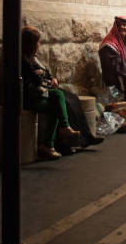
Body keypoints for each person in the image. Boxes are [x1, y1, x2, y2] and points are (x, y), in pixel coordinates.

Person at [22, 26, 81, 160]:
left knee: (57, 105)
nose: (39, 45)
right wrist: (41, 75)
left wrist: (48, 76)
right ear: (31, 44)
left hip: (37, 94)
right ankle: (62, 131)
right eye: (38, 42)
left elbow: (45, 72)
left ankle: (49, 145)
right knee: (58, 95)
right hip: (28, 98)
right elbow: (35, 78)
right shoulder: (23, 60)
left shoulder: (33, 58)